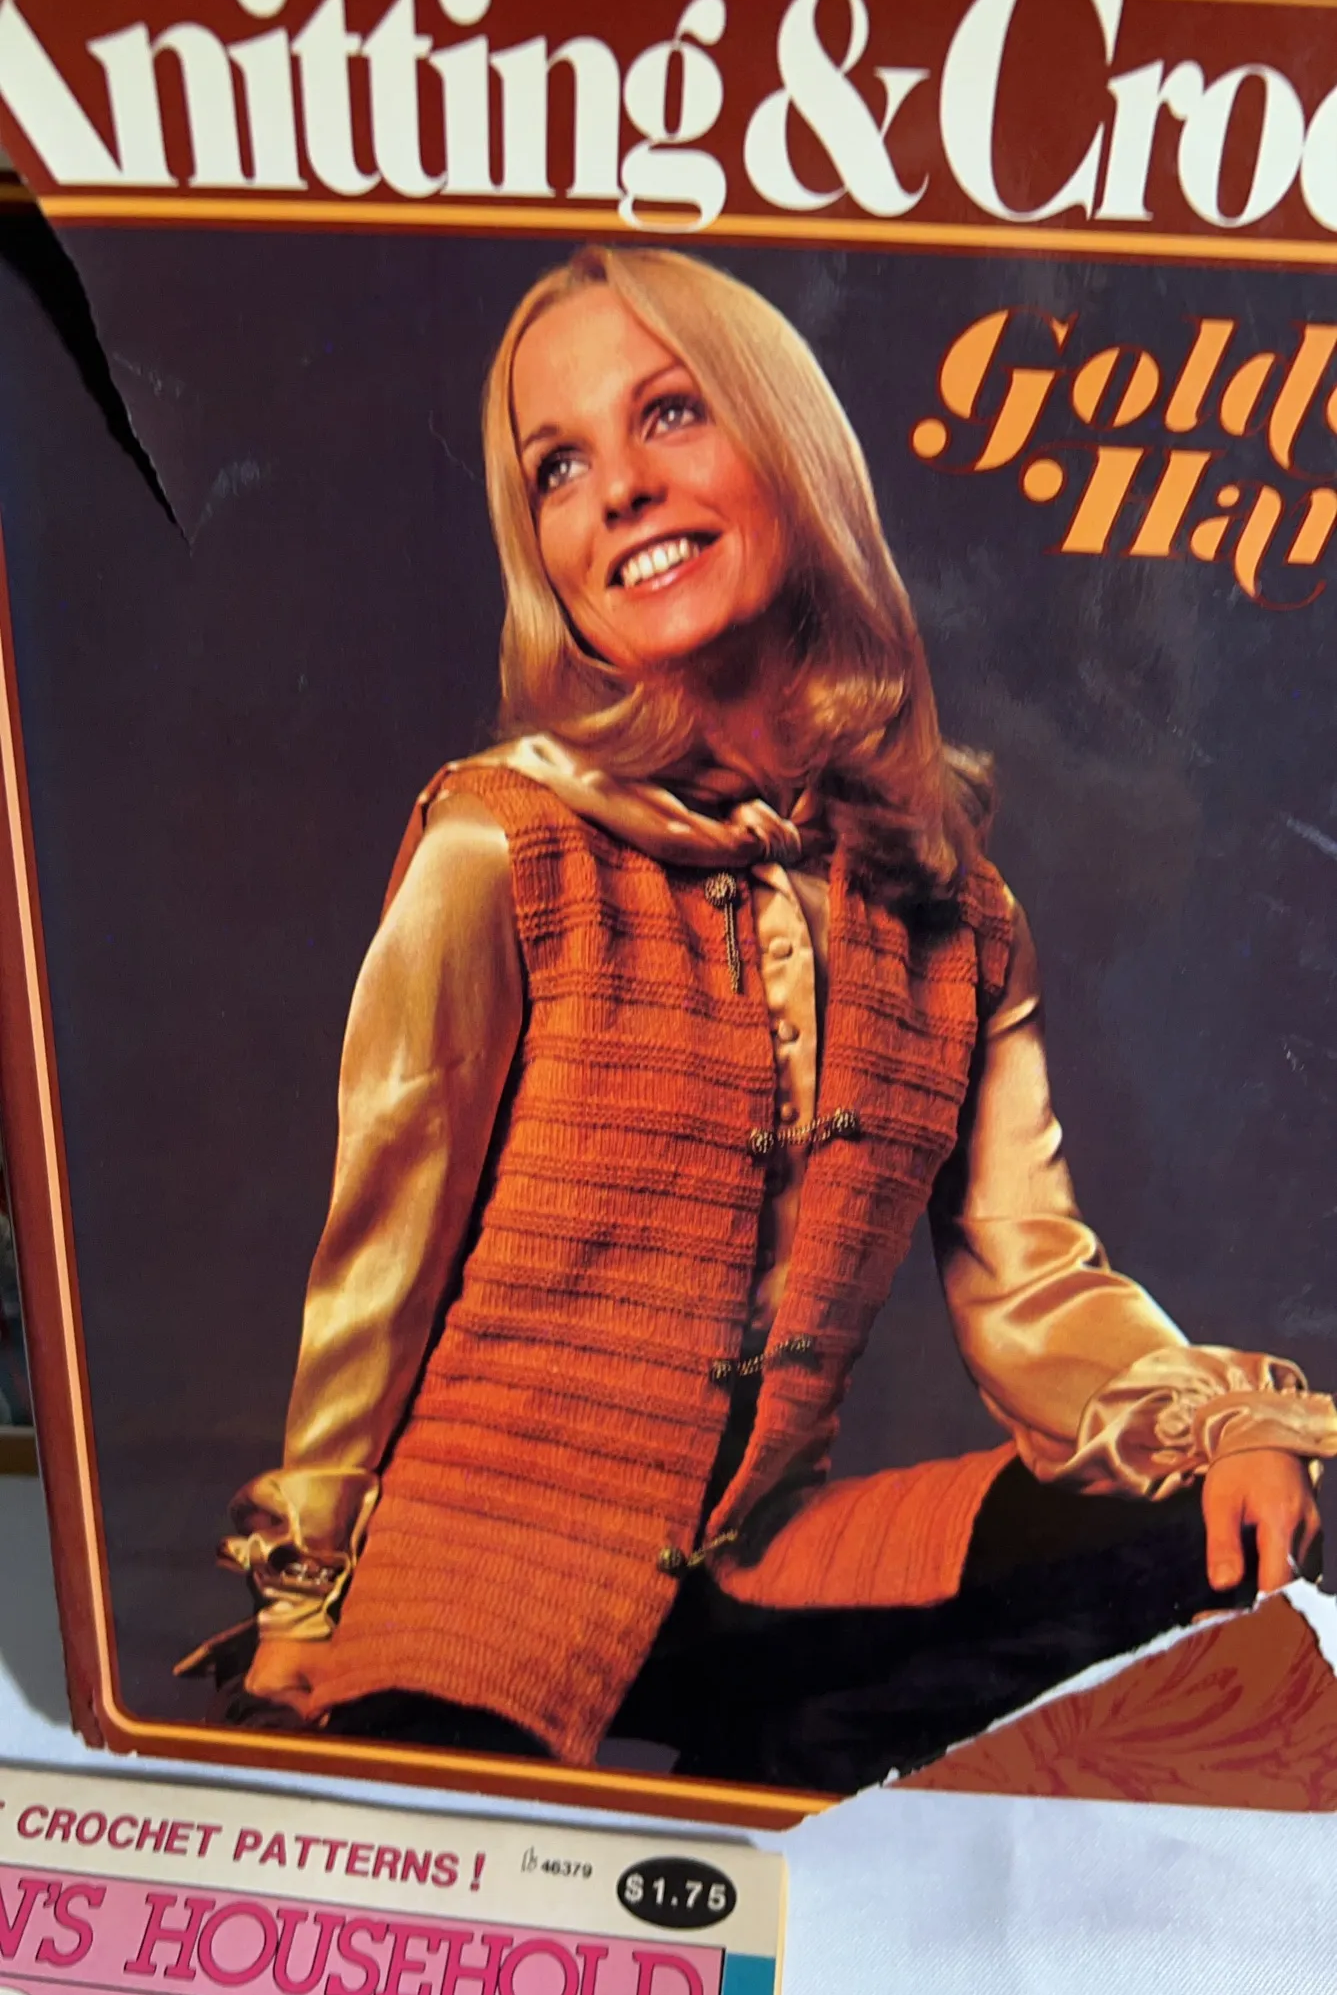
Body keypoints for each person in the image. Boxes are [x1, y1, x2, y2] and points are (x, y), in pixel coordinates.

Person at [181, 245, 1337, 1796]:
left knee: (1230, 1519)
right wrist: (305, 1596)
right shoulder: (500, 844)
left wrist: (1219, 1428)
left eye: (670, 413)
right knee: (464, 1837)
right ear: (544, 554)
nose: (617, 490)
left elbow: (1036, 1284)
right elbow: (376, 1268)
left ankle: (806, 1771)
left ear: (791, 447)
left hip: (770, 1578)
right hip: (485, 1586)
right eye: (557, 467)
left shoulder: (956, 911)